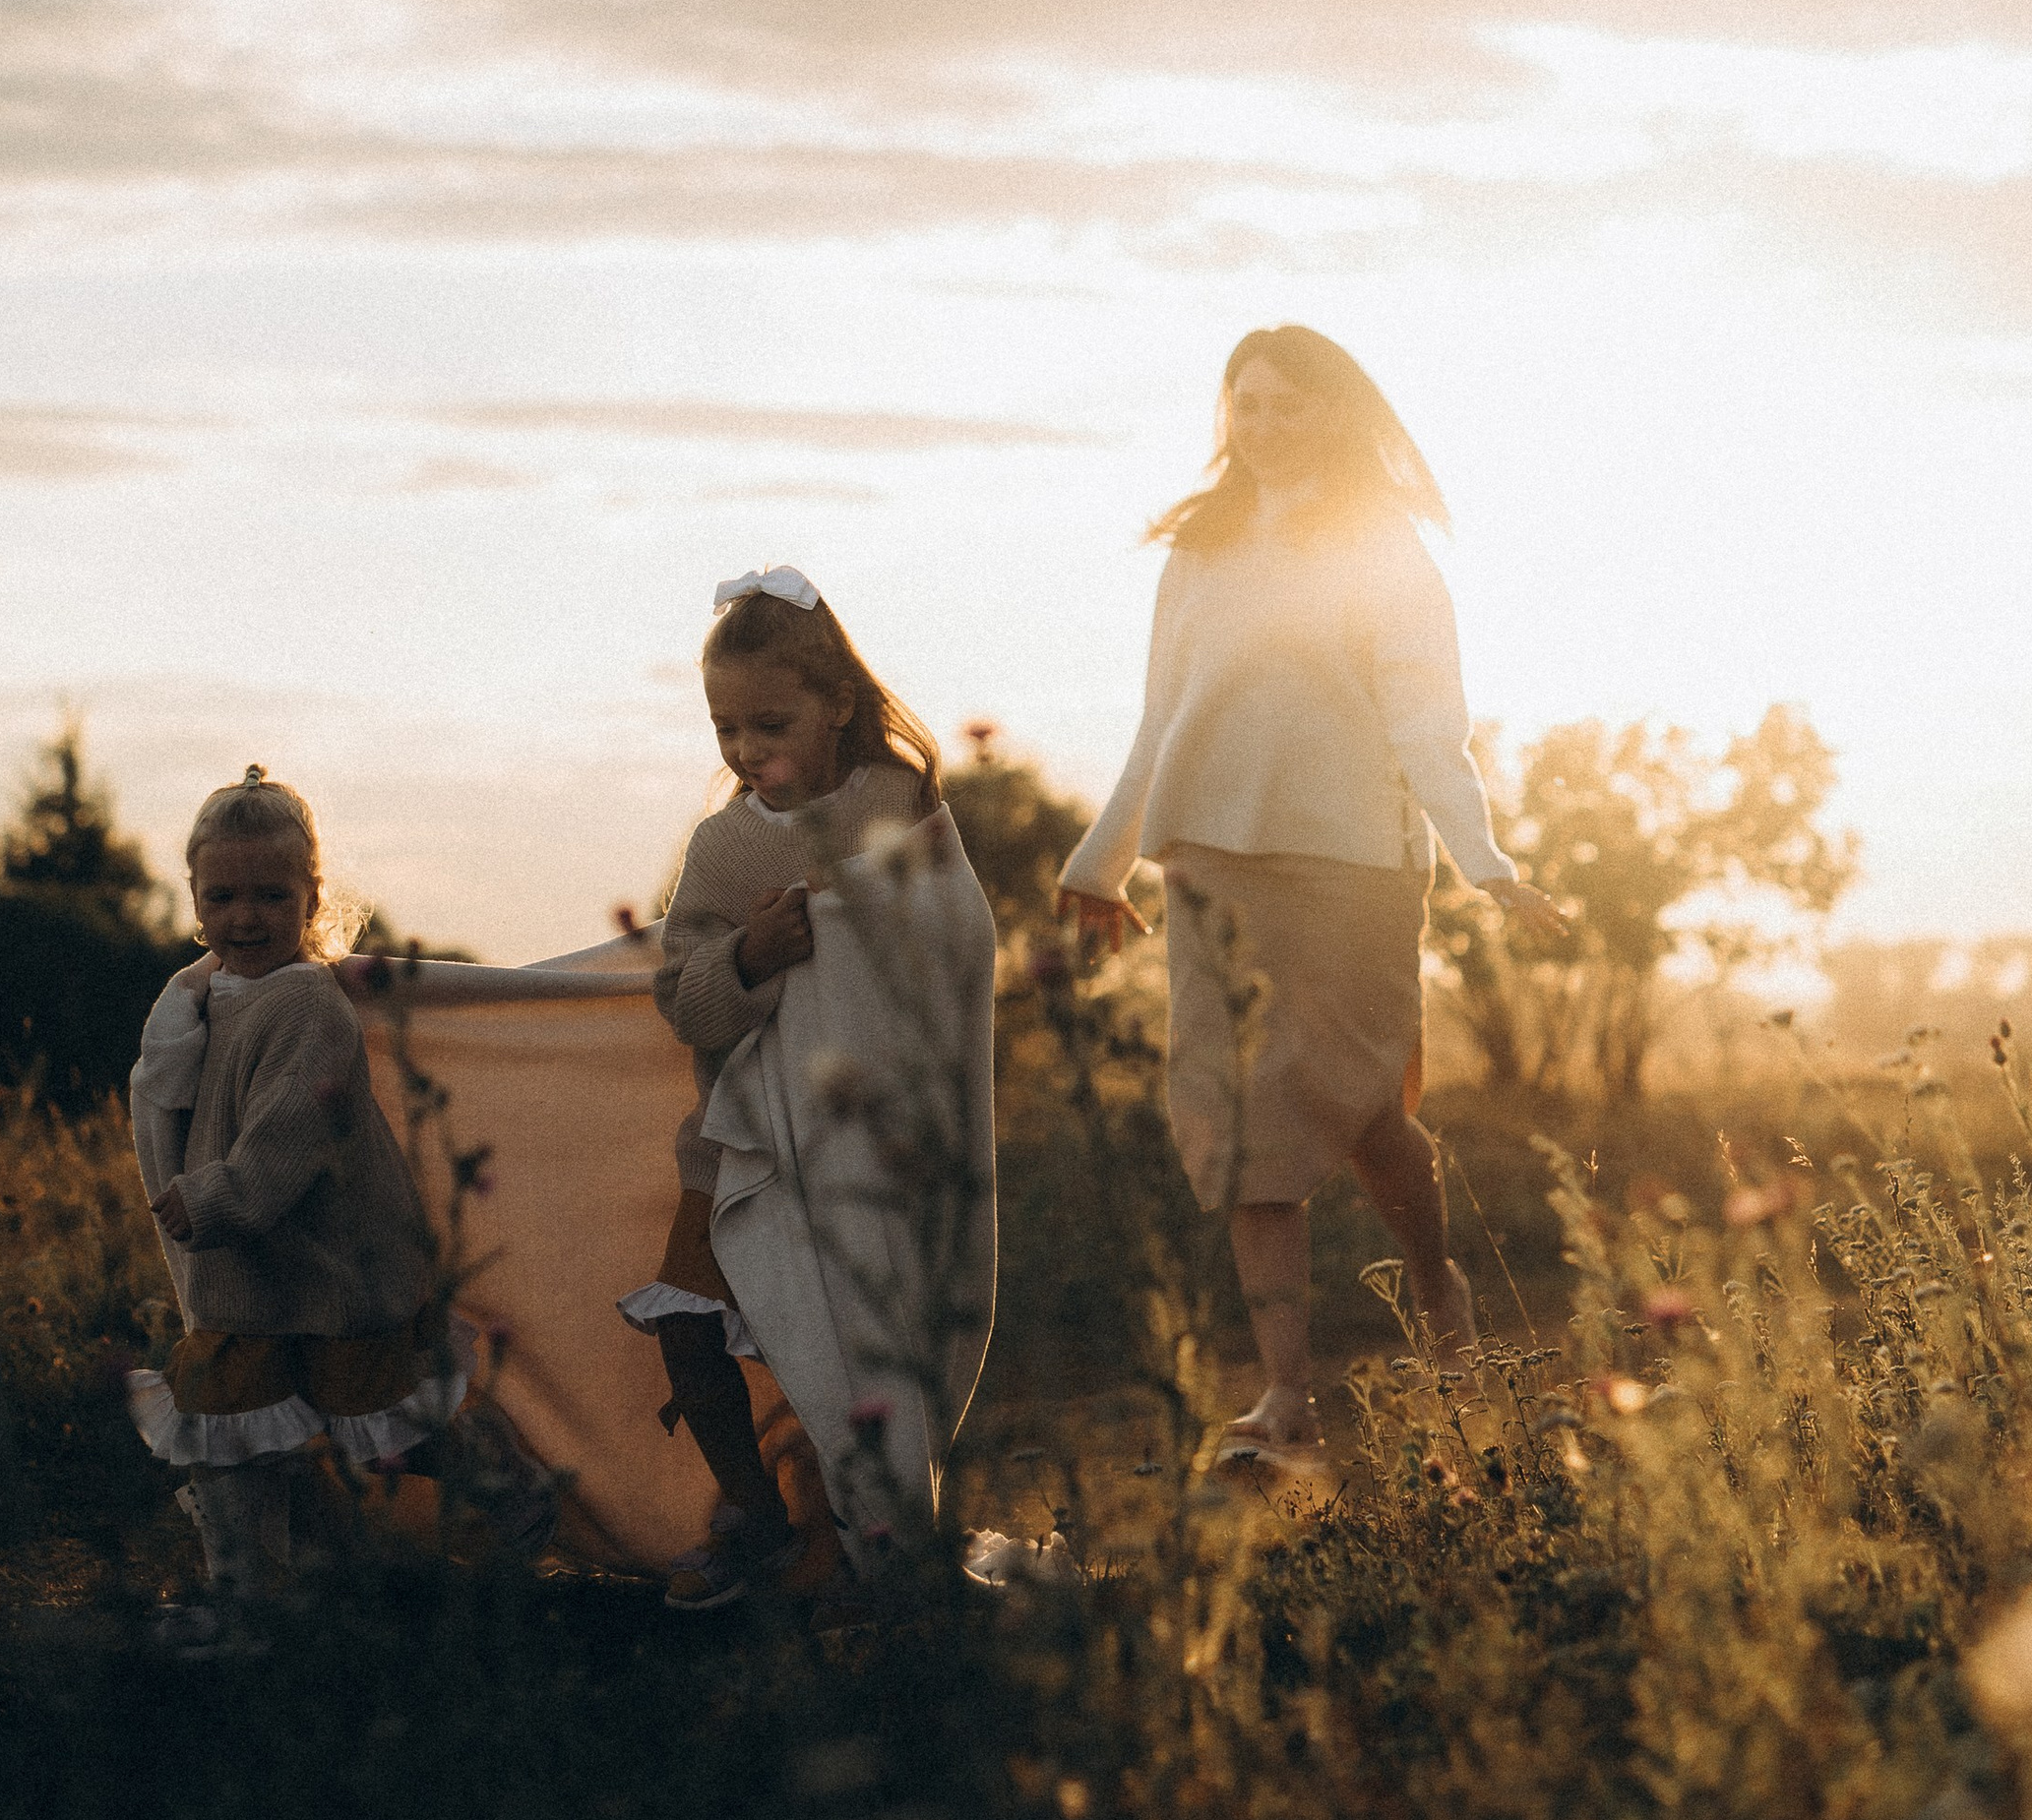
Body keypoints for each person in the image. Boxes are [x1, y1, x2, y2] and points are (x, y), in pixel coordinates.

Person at [1056, 329, 1560, 1460]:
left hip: (1352, 869)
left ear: (1334, 414)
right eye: (1246, 404)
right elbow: (1161, 718)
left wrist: (1486, 860)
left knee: (1366, 1109)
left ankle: (1438, 1289)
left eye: (1288, 405)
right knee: (1243, 1134)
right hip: (1211, 867)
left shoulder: (1383, 549)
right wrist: (1101, 860)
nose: (1265, 424)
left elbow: (1427, 722)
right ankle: (1287, 1398)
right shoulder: (1201, 547)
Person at [623, 565, 997, 1610]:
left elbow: (950, 937)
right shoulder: (724, 844)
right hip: (741, 1145)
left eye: (770, 721)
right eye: (724, 726)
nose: (746, 750)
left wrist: (847, 927)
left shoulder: (898, 800)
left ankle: (871, 1530)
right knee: (691, 1319)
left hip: (871, 1144)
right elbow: (684, 997)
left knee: (865, 1335)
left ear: (837, 701)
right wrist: (748, 956)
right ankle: (754, 1512)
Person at [127, 765, 471, 1629]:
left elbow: (291, 1127)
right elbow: (169, 1100)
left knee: (379, 1411)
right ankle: (247, 1596)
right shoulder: (195, 1000)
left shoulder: (309, 1002)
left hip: (328, 1257)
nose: (247, 916)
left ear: (311, 896)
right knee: (229, 1416)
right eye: (226, 895)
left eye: (272, 895)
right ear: (197, 898)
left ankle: (505, 1495)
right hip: (246, 1272)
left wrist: (218, 1197)